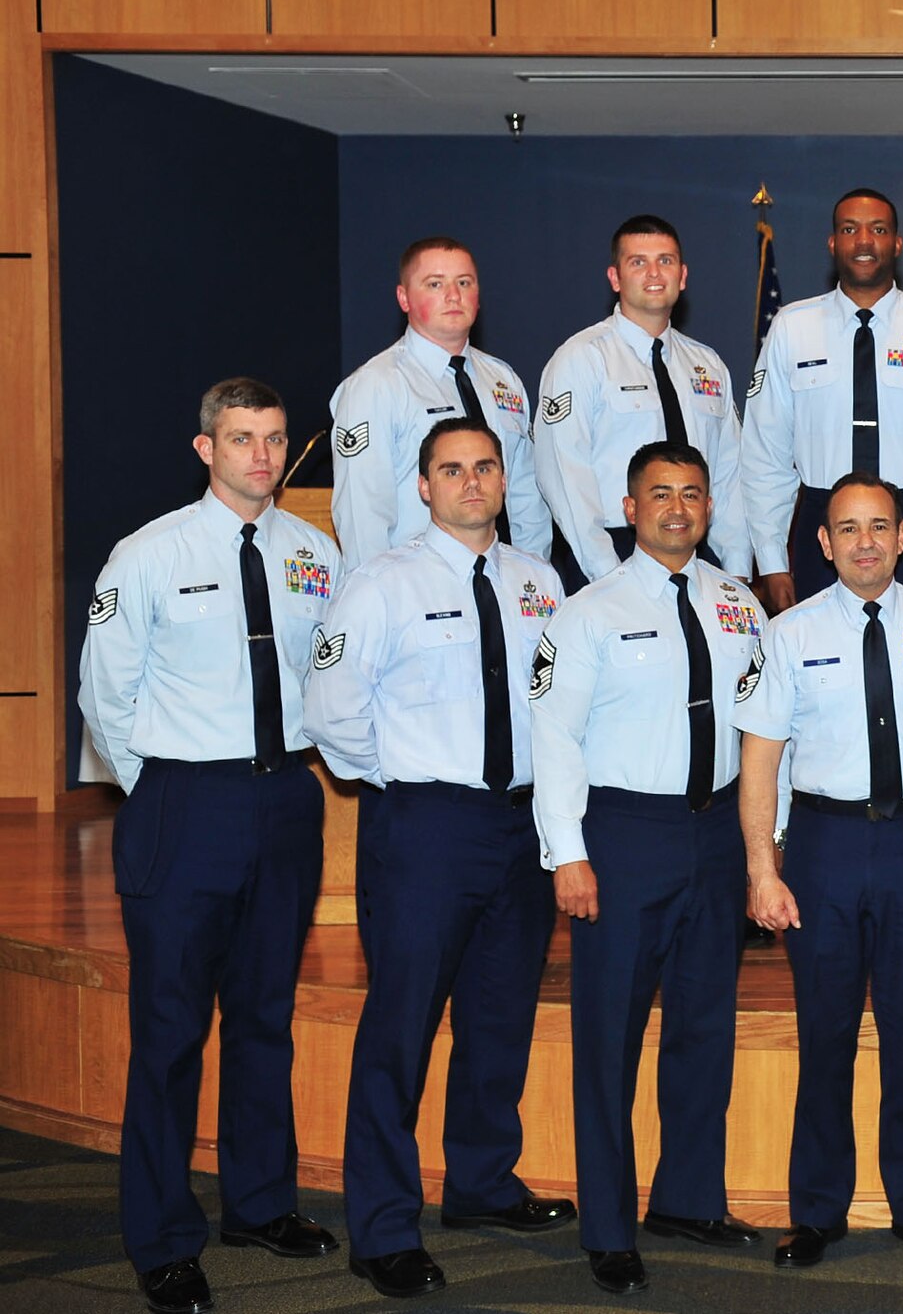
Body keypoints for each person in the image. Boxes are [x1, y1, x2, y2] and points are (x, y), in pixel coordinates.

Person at [79, 379, 342, 1314]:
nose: (262, 456)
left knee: (265, 1016)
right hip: (185, 800)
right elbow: (105, 697)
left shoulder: (315, 553)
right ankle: (160, 1237)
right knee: (171, 1032)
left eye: (273, 439)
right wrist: (164, 794)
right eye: (242, 439)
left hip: (283, 802)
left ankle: (260, 1203)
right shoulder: (148, 554)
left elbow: (329, 675)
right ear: (206, 449)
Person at [304, 417, 575, 1300]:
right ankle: (382, 1226)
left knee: (499, 1017)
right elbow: (332, 712)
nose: (470, 482)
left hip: (520, 827)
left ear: (504, 479)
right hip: (425, 825)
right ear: (422, 486)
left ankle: (482, 1183)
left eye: (485, 467)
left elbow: (560, 704)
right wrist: (409, 783)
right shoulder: (381, 583)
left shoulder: (540, 582)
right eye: (451, 470)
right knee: (402, 1026)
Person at [734, 474, 903, 1268]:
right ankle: (816, 1211)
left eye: (878, 526)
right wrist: (762, 866)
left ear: (902, 537)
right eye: (846, 528)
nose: (864, 541)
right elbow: (760, 758)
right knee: (825, 1036)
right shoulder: (786, 634)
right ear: (822, 543)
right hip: (822, 849)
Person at [529, 441, 766, 1295]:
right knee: (610, 1039)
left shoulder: (739, 606)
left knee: (704, 1027)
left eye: (692, 494)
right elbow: (553, 735)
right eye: (659, 494)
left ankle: (689, 1198)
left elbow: (766, 734)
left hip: (715, 836)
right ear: (628, 509)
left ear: (709, 507)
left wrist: (761, 848)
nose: (677, 508)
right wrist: (569, 851)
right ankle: (608, 1224)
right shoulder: (587, 612)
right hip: (623, 836)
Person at [740, 189, 903, 615]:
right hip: (821, 529)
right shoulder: (792, 328)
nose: (864, 241)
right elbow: (764, 457)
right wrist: (771, 562)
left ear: (897, 243)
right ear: (833, 244)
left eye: (878, 230)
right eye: (850, 230)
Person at [533, 215, 750, 593]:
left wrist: (736, 568)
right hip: (611, 552)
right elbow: (565, 477)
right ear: (615, 278)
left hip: (699, 554)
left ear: (682, 275)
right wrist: (609, 574)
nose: (654, 272)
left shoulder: (708, 364)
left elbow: (729, 473)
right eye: (638, 262)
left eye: (665, 261)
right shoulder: (581, 359)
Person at [331, 235, 552, 566]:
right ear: (404, 298)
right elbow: (362, 512)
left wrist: (532, 574)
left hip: (502, 579)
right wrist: (379, 596)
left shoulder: (503, 380)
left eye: (464, 282)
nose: (453, 295)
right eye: (435, 284)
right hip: (417, 585)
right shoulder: (376, 386)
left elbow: (526, 495)